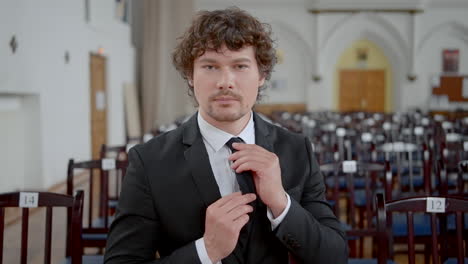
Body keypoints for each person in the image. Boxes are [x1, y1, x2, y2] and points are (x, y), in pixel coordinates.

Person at [104, 7, 347, 264]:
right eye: (210, 66)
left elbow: (334, 256)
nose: (225, 81)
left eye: (240, 66)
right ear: (190, 75)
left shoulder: (297, 151)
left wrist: (281, 203)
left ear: (262, 75)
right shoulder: (149, 161)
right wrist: (206, 251)